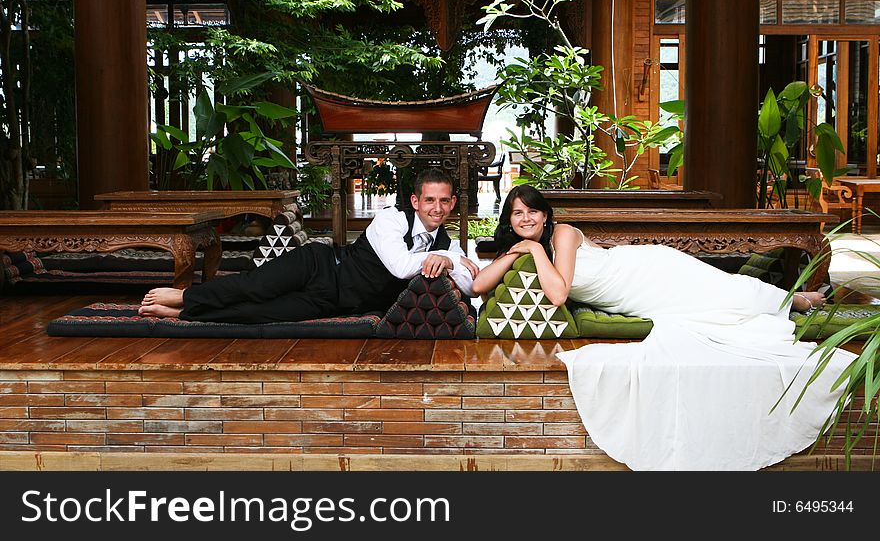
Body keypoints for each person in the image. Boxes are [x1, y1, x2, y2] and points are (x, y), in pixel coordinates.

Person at [472, 184, 857, 471]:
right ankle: (792, 301)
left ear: (545, 214)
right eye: (517, 214)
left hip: (648, 271)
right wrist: (511, 254)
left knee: (727, 293)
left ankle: (798, 300)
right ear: (509, 219)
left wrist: (535, 250)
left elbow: (557, 294)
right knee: (715, 307)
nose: (525, 219)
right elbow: (477, 286)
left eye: (532, 212)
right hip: (635, 298)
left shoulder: (562, 235)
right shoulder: (524, 246)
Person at [139, 168, 479, 322]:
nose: (437, 208)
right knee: (253, 287)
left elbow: (472, 285)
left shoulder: (447, 245)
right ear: (415, 201)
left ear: (451, 205)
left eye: (444, 201)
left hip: (334, 303)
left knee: (261, 314)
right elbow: (401, 266)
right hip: (317, 266)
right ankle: (185, 295)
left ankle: (185, 313)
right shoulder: (391, 219)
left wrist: (449, 259)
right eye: (430, 200)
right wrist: (446, 258)